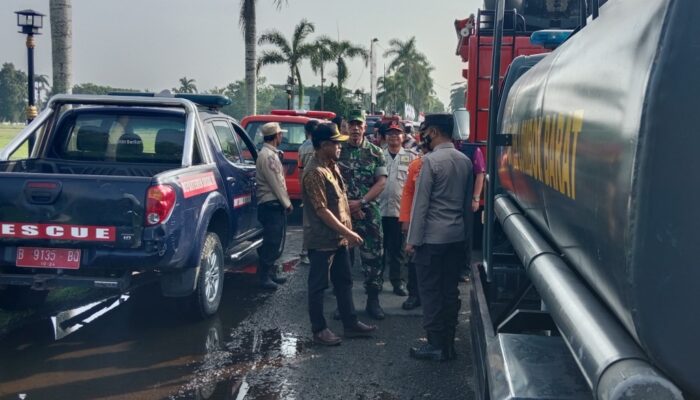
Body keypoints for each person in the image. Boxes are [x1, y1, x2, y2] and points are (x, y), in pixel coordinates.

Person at [302, 122, 377, 346]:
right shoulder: (314, 172)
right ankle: (319, 330)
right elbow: (322, 210)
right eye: (336, 144)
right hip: (323, 239)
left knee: (343, 282)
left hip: (339, 238)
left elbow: (340, 201)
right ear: (324, 145)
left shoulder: (331, 166)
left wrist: (351, 223)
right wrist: (349, 232)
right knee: (318, 286)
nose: (340, 148)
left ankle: (350, 323)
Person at [406, 113, 473, 361]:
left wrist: (412, 240)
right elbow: (468, 207)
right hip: (456, 237)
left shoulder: (431, 162)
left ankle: (435, 344)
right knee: (449, 291)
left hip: (431, 239)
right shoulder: (464, 161)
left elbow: (420, 205)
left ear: (433, 132)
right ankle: (448, 343)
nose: (423, 135)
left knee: (431, 292)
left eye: (425, 131)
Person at [338, 110, 388, 320]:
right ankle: (344, 304)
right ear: (346, 126)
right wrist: (348, 206)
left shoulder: (376, 152)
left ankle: (373, 301)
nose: (355, 128)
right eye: (352, 124)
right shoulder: (338, 151)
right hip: (342, 213)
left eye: (359, 124)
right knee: (341, 258)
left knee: (373, 257)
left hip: (369, 213)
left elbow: (381, 182)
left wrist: (361, 202)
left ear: (365, 127)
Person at [380, 121, 417, 297]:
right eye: (390, 133)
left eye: (397, 133)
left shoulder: (411, 157)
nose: (394, 136)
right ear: (385, 136)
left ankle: (397, 282)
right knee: (378, 249)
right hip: (378, 210)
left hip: (398, 212)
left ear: (403, 136)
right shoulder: (378, 155)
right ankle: (376, 281)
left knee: (397, 251)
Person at [255, 122, 294, 290]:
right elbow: (276, 183)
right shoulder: (268, 156)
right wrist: (287, 203)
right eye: (280, 134)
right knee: (272, 241)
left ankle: (270, 273)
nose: (282, 137)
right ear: (276, 136)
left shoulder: (270, 153)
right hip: (271, 203)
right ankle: (264, 277)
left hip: (270, 203)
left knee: (274, 240)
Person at [398, 141, 430, 310]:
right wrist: (405, 219)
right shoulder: (416, 165)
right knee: (413, 259)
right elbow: (407, 193)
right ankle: (414, 295)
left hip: (435, 221)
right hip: (415, 219)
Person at [458, 144, 486, 281]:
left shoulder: (473, 149)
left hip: (466, 199)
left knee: (466, 233)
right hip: (448, 197)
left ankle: (465, 268)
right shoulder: (443, 145)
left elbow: (480, 174)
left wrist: (476, 198)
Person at [297, 119, 320, 265]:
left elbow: (300, 170)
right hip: (319, 186)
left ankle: (305, 251)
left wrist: (302, 188)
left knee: (308, 221)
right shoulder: (320, 146)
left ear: (306, 132)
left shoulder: (302, 148)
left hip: (306, 186)